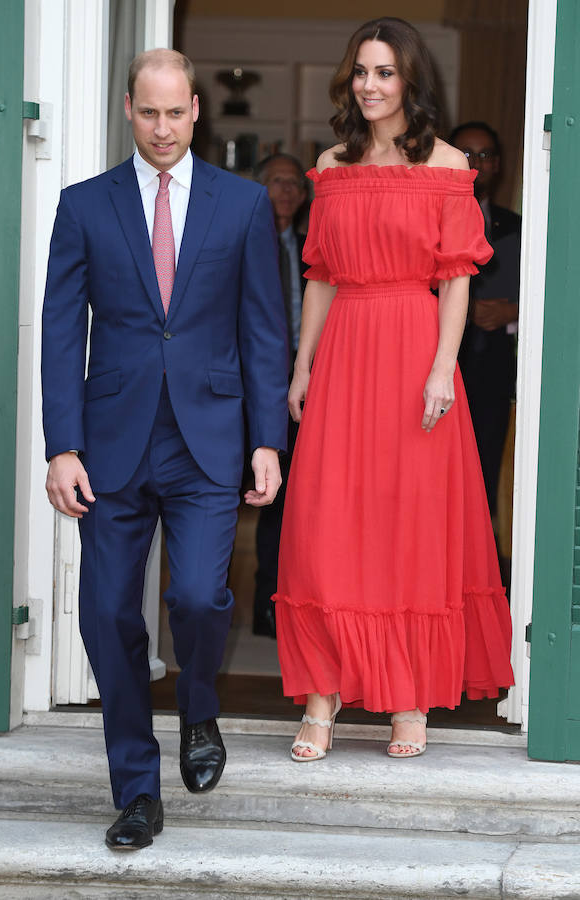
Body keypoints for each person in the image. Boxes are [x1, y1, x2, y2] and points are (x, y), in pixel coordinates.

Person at [42, 49, 288, 849]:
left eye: (175, 112)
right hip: (110, 444)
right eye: (148, 113)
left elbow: (263, 332)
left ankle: (200, 710)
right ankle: (137, 790)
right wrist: (62, 445)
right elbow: (58, 334)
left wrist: (265, 441)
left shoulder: (244, 205)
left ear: (195, 112)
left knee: (196, 600)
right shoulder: (84, 205)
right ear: (127, 110)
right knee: (110, 612)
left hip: (208, 440)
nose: (162, 128)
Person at [272, 17, 514, 762]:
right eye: (361, 72)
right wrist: (303, 366)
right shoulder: (331, 164)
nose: (370, 86)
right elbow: (319, 275)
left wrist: (443, 367)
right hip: (345, 352)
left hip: (414, 349)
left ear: (411, 81)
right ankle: (323, 693)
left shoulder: (447, 166)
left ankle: (408, 692)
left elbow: (456, 282)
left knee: (407, 524)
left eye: (385, 73)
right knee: (328, 523)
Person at [450, 121, 521, 520]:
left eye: (484, 155)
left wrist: (512, 313)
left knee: (486, 471)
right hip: (435, 366)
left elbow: (548, 297)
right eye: (465, 154)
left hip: (496, 370)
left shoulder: (518, 227)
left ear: (498, 165)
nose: (475, 164)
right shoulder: (426, 220)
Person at [252, 153, 308, 638]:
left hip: (309, 385)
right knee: (264, 494)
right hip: (255, 387)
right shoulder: (245, 240)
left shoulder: (312, 246)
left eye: (293, 183)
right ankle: (263, 602)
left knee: (300, 499)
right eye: (276, 182)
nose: (286, 191)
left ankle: (293, 603)